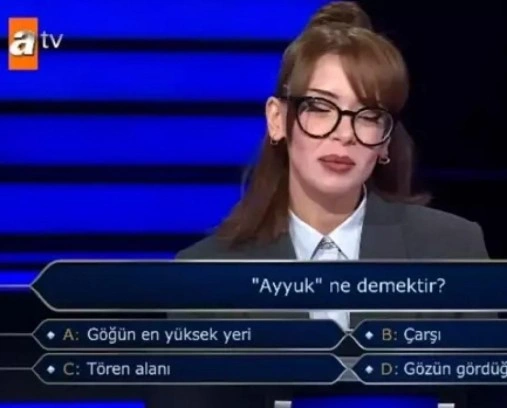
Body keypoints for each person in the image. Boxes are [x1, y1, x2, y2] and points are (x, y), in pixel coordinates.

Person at [176, 2, 489, 330]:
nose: (344, 134)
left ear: (385, 139)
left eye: (368, 115)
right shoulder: (203, 275)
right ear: (277, 119)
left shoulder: (452, 250)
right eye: (321, 107)